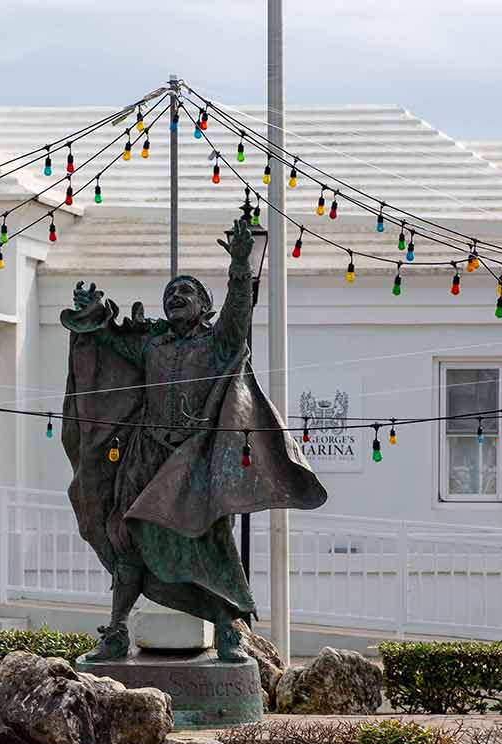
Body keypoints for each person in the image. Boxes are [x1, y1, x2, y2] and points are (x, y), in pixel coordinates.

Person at [58, 216, 326, 662]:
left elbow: (239, 315)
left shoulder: (216, 343)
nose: (176, 297)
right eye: (170, 294)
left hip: (195, 460)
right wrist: (89, 313)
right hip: (144, 458)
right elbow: (105, 342)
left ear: (204, 306)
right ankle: (117, 631)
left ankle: (227, 630)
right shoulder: (151, 345)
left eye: (186, 292)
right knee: (128, 538)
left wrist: (240, 266)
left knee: (210, 545)